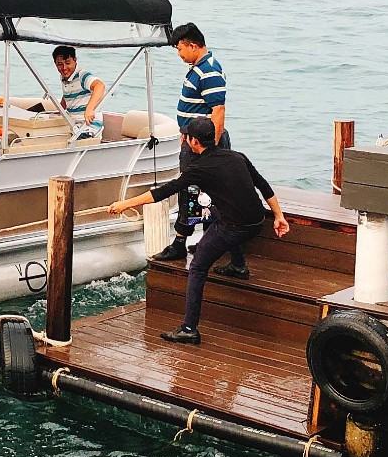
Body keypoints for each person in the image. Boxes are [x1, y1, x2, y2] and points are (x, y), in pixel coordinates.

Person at [110, 122, 289, 345]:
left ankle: (188, 329)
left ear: (193, 141)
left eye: (184, 137)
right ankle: (238, 265)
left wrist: (125, 204)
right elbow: (263, 185)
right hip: (258, 222)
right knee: (213, 209)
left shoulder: (199, 168)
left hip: (233, 229)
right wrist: (279, 216)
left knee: (197, 268)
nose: (183, 140)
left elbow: (162, 193)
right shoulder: (237, 156)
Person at [152, 22, 228, 264]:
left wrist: (211, 150)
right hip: (193, 139)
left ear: (193, 46)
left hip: (203, 144)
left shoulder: (209, 72)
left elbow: (218, 113)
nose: (179, 54)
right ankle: (205, 240)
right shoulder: (199, 67)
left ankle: (181, 243)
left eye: (180, 49)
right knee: (196, 191)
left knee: (193, 190)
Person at [33, 44, 106, 135]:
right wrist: (60, 110)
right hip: (73, 124)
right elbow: (67, 94)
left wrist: (89, 109)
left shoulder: (81, 75)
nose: (64, 68)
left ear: (75, 61)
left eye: (68, 63)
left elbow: (100, 86)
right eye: (60, 64)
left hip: (89, 126)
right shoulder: (63, 78)